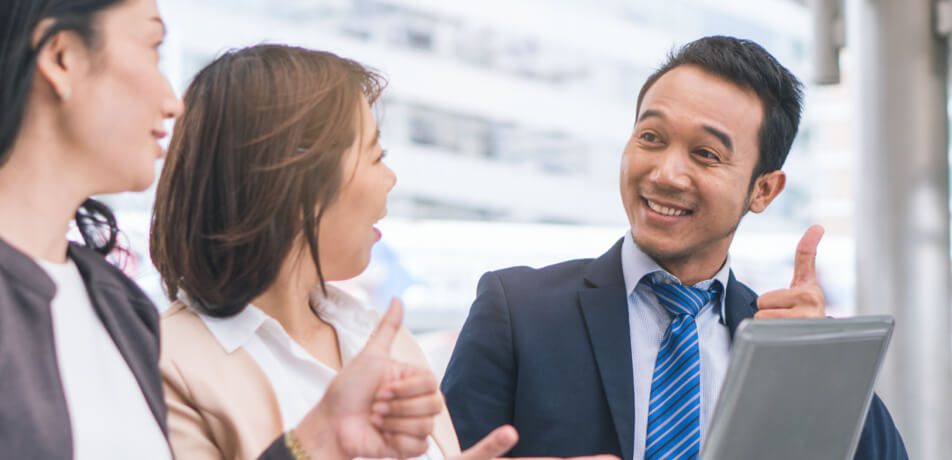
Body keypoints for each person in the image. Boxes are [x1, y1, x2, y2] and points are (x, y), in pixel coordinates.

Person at [0, 1, 453, 459]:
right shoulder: (165, 350)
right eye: (152, 47)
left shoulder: (115, 307)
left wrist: (311, 445)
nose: (172, 102)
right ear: (62, 58)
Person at [441, 36, 908, 460]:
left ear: (763, 190)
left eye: (706, 154)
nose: (664, 174)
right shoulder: (517, 311)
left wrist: (828, 376)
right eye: (651, 138)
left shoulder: (787, 344)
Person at [149, 44, 614, 460]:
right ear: (295, 177)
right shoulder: (168, 366)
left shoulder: (382, 340)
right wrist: (310, 447)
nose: (389, 180)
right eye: (376, 155)